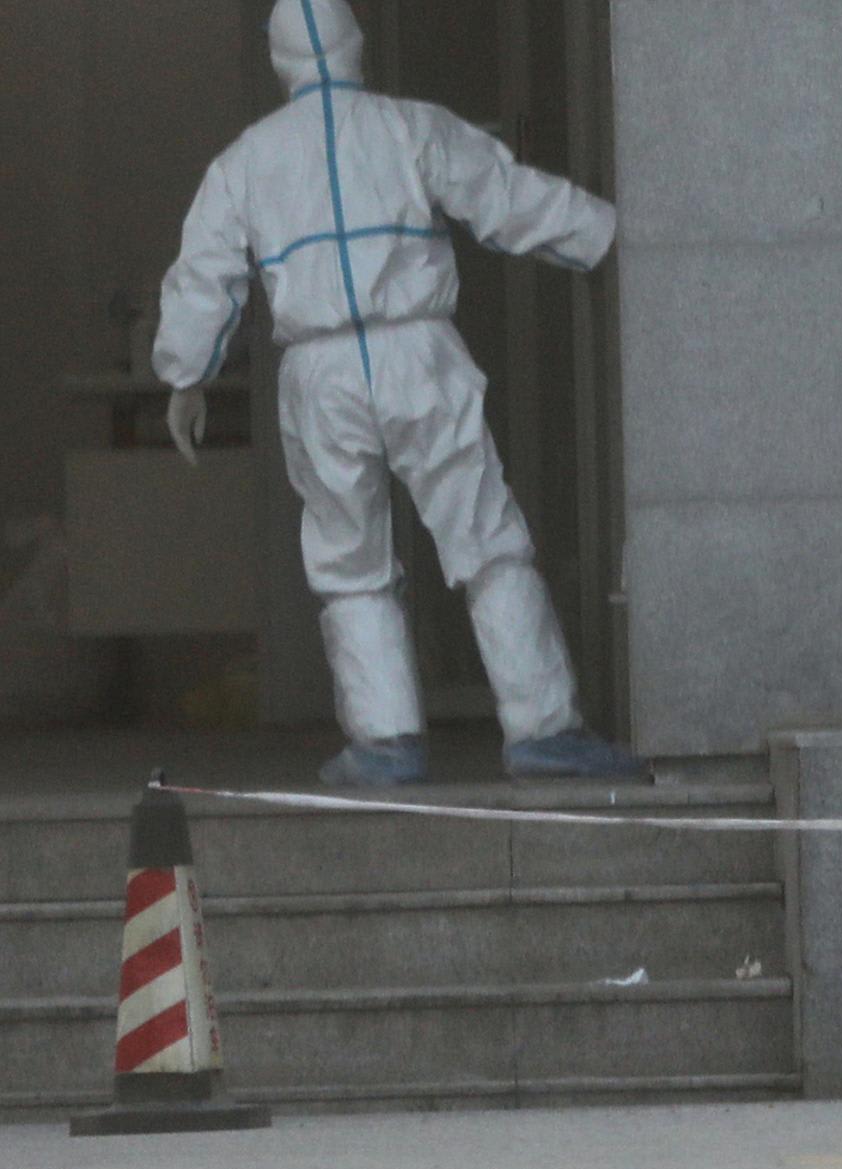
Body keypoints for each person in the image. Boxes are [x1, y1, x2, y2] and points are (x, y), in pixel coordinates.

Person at [155, 0, 643, 787]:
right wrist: (606, 232)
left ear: (280, 64)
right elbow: (505, 196)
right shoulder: (410, 127)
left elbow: (204, 276)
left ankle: (385, 741)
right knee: (485, 536)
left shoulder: (245, 161)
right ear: (357, 47)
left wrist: (185, 375)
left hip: (319, 372)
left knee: (350, 558)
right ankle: (544, 727)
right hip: (418, 350)